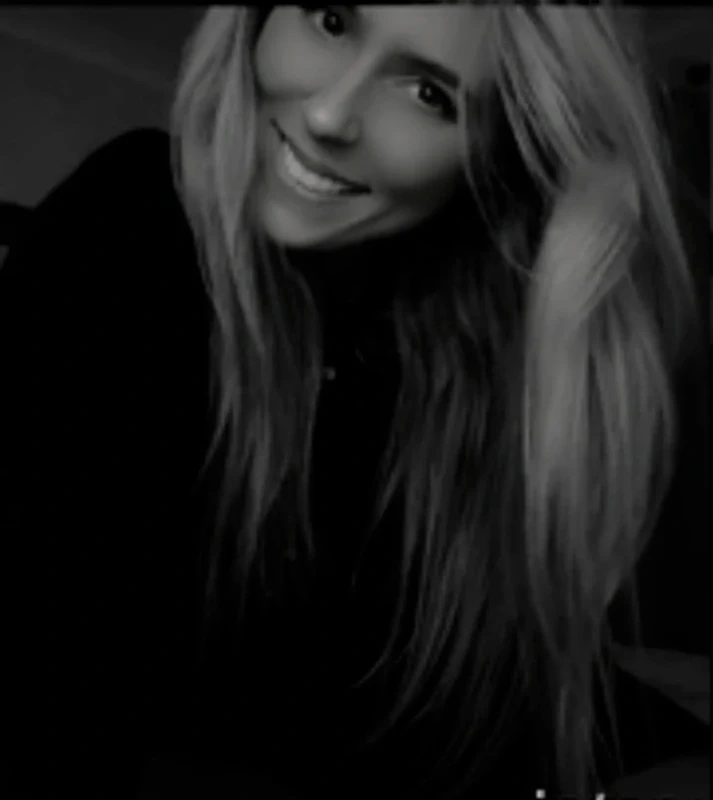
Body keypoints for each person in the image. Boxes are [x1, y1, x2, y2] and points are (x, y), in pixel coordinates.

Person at [0, 6, 708, 799]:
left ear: (495, 158)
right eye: (331, 18)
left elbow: (493, 719)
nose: (330, 114)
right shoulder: (138, 217)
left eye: (429, 95)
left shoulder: (472, 380)